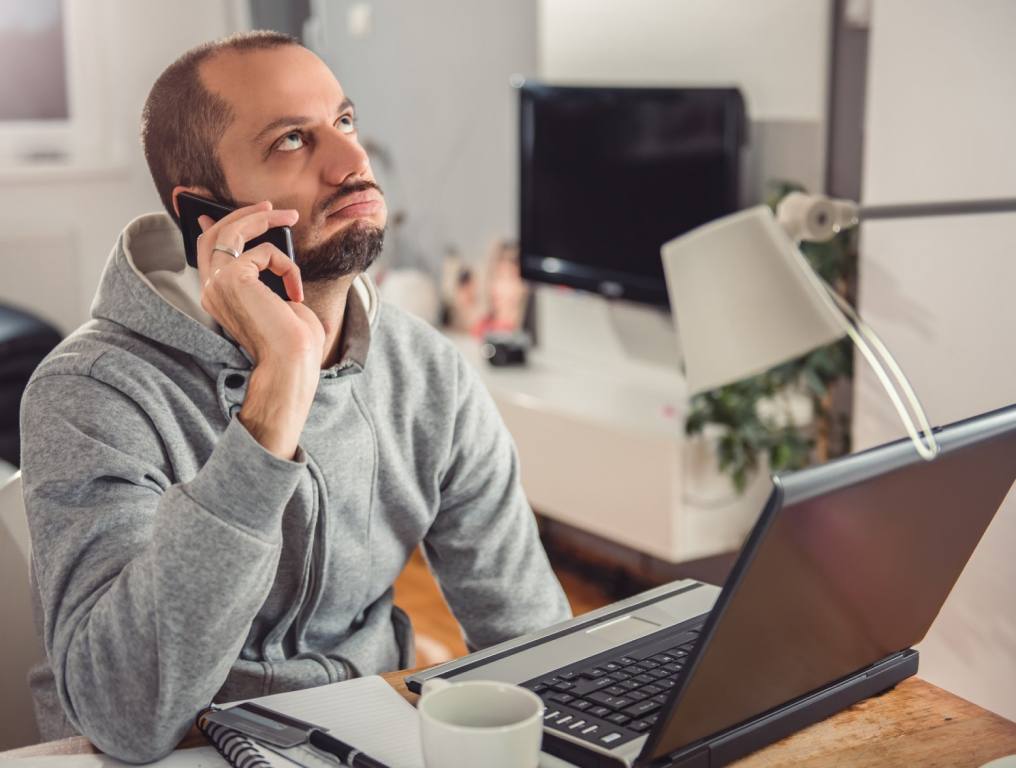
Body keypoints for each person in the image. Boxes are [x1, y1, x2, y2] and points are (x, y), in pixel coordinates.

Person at [19, 31, 570, 763]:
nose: (353, 162)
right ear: (205, 217)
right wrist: (276, 396)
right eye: (290, 141)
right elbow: (125, 715)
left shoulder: (428, 372)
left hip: (366, 734)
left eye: (343, 121)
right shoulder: (91, 391)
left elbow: (532, 642)